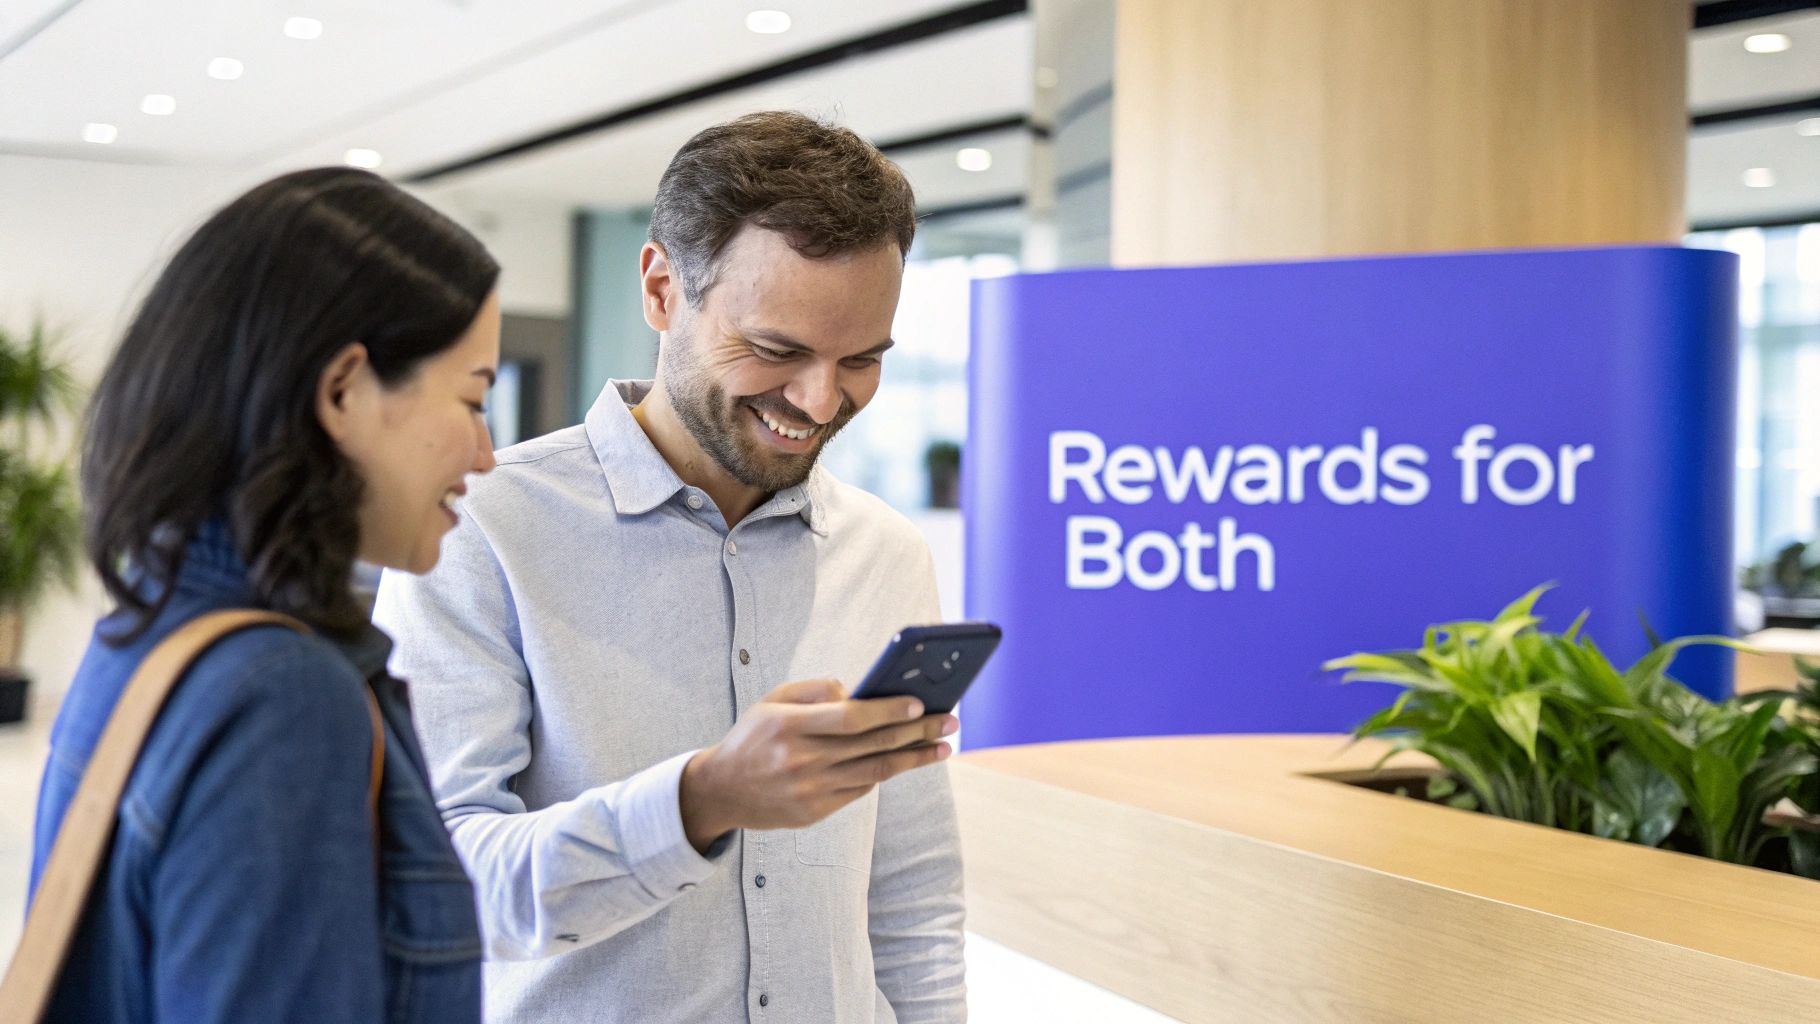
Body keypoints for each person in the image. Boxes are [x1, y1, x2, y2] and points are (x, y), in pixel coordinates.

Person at [374, 111, 966, 1023]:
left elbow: (911, 891)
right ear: (661, 289)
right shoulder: (481, 526)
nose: (818, 400)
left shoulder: (885, 553)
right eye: (776, 350)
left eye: (861, 360)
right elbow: (442, 887)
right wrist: (700, 801)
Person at [28, 167, 501, 1023]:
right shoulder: (280, 692)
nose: (485, 451)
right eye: (472, 397)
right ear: (343, 391)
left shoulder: (152, 618)